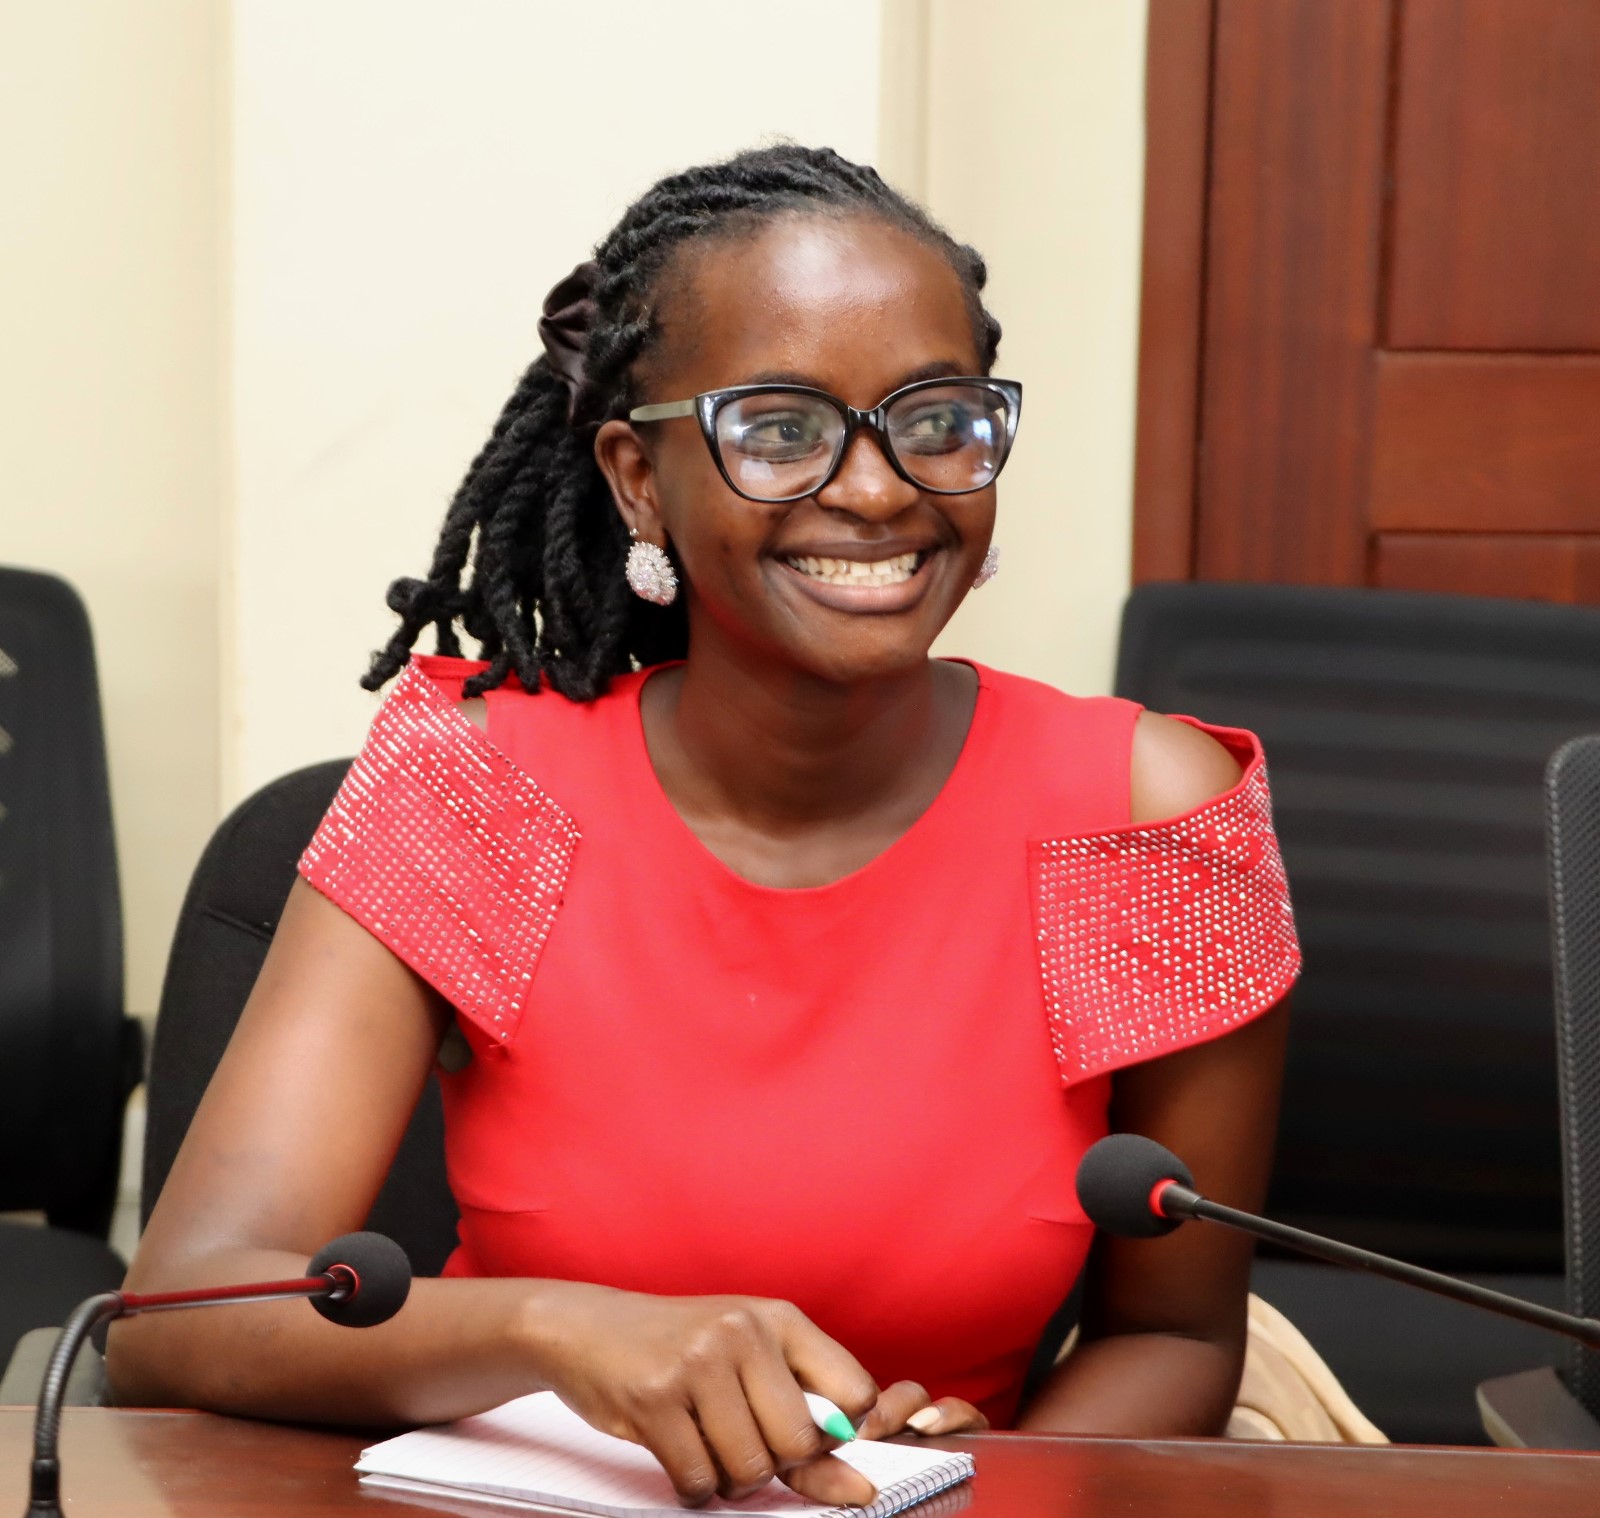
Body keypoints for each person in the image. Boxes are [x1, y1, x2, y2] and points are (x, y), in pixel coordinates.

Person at [107, 145, 1296, 1507]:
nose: (878, 489)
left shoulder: (1151, 815)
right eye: (781, 428)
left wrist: (964, 1478)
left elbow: (1174, 1330)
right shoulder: (478, 787)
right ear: (636, 475)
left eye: (937, 419)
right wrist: (558, 1330)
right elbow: (185, 1307)